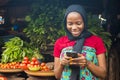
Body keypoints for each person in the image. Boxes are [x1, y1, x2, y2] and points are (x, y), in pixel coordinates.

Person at [53, 4, 107, 80]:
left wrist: (87, 63)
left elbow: (103, 74)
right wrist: (62, 64)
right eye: (70, 24)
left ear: (84, 22)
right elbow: (57, 76)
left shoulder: (96, 41)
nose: (74, 28)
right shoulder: (60, 42)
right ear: (65, 24)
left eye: (78, 23)